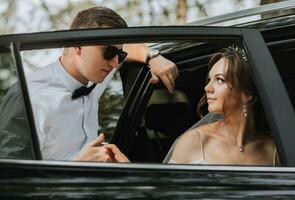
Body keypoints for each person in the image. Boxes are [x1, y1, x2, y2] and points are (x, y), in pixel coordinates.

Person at [0, 6, 178, 162]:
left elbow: (129, 47)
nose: (115, 63)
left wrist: (153, 56)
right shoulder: (29, 98)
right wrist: (76, 166)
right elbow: (10, 179)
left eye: (119, 55)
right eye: (108, 51)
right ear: (78, 44)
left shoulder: (94, 72)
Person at [163, 46, 279, 166]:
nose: (207, 88)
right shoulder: (195, 141)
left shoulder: (273, 150)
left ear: (247, 94)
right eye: (209, 79)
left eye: (219, 79)